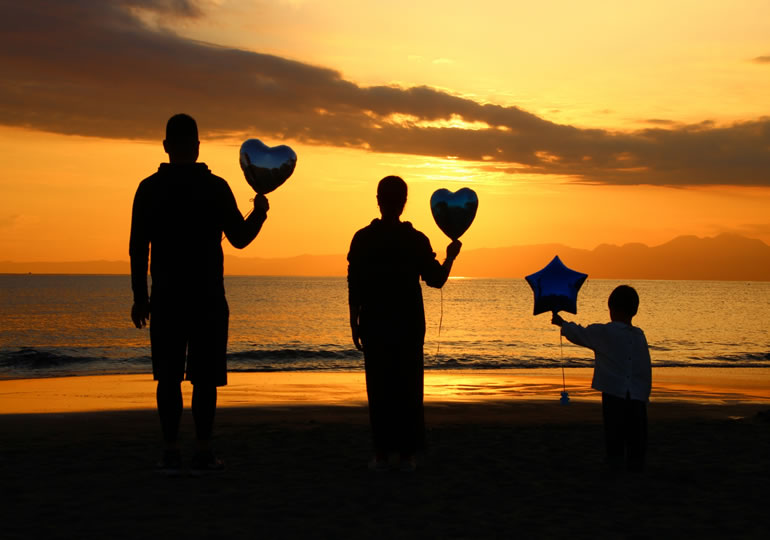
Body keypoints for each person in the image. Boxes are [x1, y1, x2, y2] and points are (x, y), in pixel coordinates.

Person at [129, 113, 269, 474]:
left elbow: (137, 248)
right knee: (205, 379)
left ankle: (171, 451)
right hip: (207, 296)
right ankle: (204, 451)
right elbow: (239, 238)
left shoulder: (149, 188)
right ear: (196, 147)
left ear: (166, 147)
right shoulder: (215, 187)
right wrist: (260, 213)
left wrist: (139, 296)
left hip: (166, 297)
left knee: (169, 377)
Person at [347, 175, 461, 472]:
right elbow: (436, 280)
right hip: (408, 324)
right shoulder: (415, 239)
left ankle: (383, 453)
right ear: (404, 202)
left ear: (378, 200)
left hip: (375, 321)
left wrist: (353, 320)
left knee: (380, 390)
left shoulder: (363, 238)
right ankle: (407, 454)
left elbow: (354, 281)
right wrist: (450, 258)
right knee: (408, 390)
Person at [551, 285, 652, 472]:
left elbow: (580, 333)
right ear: (635, 310)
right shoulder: (639, 335)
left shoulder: (605, 332)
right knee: (636, 436)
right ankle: (635, 466)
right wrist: (644, 393)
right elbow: (644, 368)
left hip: (614, 392)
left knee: (614, 433)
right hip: (637, 396)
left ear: (611, 308)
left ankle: (616, 465)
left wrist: (561, 323)